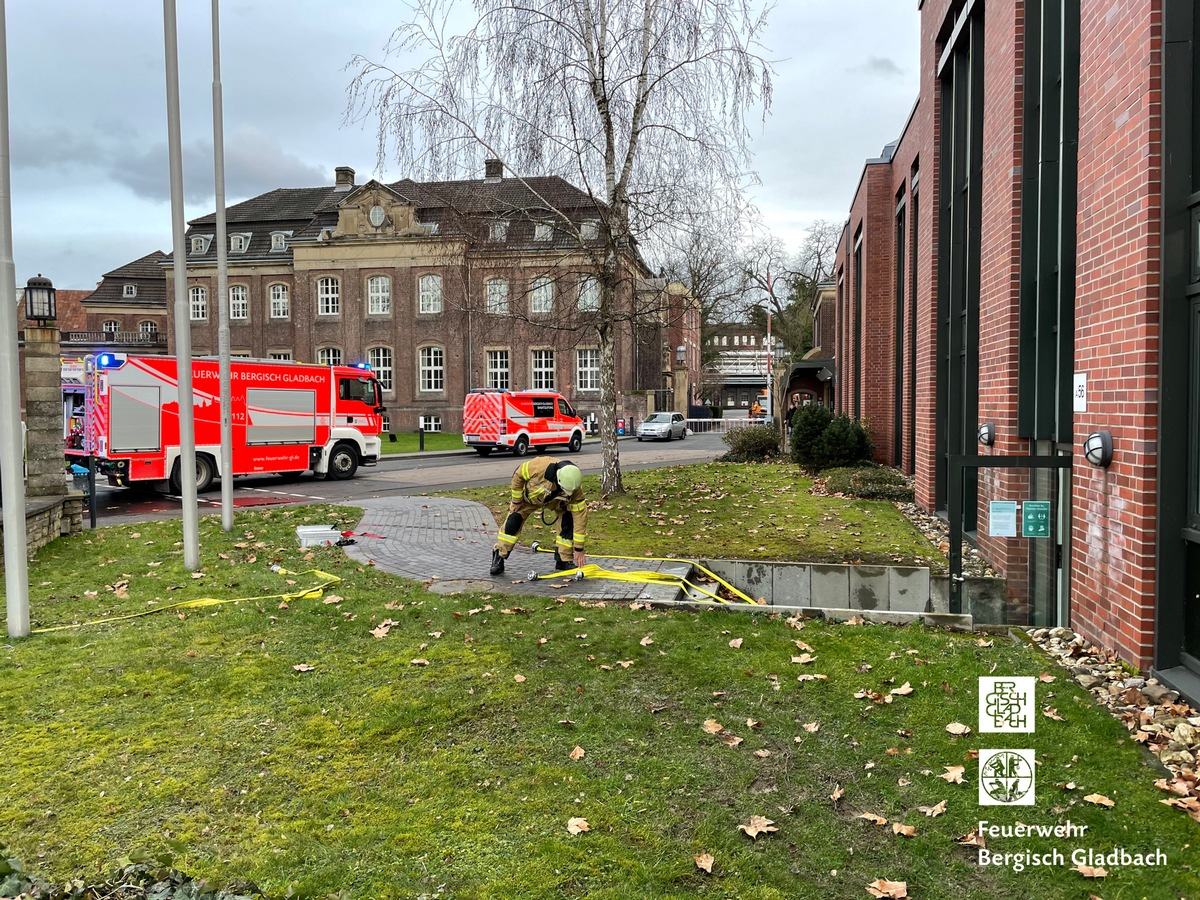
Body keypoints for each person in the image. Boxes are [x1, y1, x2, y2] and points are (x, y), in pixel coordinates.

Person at [490, 458, 587, 576]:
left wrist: (578, 549)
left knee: (568, 521)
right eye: (565, 490)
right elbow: (518, 474)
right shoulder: (538, 467)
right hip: (528, 500)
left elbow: (580, 518)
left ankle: (563, 559)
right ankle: (499, 555)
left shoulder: (574, 487)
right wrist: (516, 501)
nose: (567, 493)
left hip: (558, 504)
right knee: (513, 524)